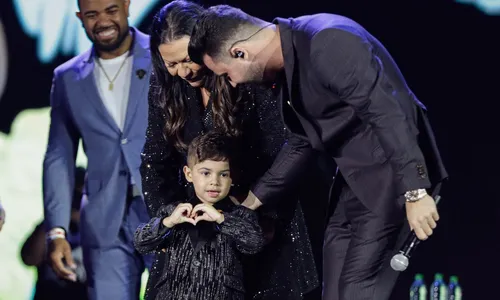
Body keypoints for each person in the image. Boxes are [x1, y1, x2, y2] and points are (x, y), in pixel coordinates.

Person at [188, 6, 449, 300]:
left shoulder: (327, 41)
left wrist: (415, 191)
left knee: (357, 289)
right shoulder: (290, 60)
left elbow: (386, 113)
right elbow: (302, 141)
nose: (232, 82)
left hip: (394, 178)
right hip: (355, 182)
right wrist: (249, 204)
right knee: (334, 290)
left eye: (226, 74)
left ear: (240, 53)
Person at [142, 1, 319, 299]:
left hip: (265, 221)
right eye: (171, 64)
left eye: (188, 59)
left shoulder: (244, 75)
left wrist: (253, 213)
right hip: (198, 238)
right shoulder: (165, 87)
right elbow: (154, 162)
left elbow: (286, 150)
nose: (182, 71)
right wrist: (170, 218)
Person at [42, 0, 152, 299]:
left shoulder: (164, 55)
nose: (102, 21)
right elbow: (59, 156)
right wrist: (57, 231)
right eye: (92, 14)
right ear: (79, 17)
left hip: (168, 210)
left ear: (128, 6)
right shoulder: (67, 77)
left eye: (111, 10)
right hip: (104, 219)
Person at [135, 131, 265, 300]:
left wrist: (221, 219)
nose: (214, 182)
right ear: (189, 174)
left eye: (223, 174)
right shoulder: (174, 213)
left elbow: (255, 242)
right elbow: (142, 243)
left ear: (231, 177)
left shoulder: (238, 215)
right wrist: (168, 222)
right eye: (206, 173)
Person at [21, 167, 87, 300]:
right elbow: (29, 259)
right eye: (74, 197)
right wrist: (55, 217)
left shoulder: (102, 231)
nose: (77, 203)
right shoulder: (50, 226)